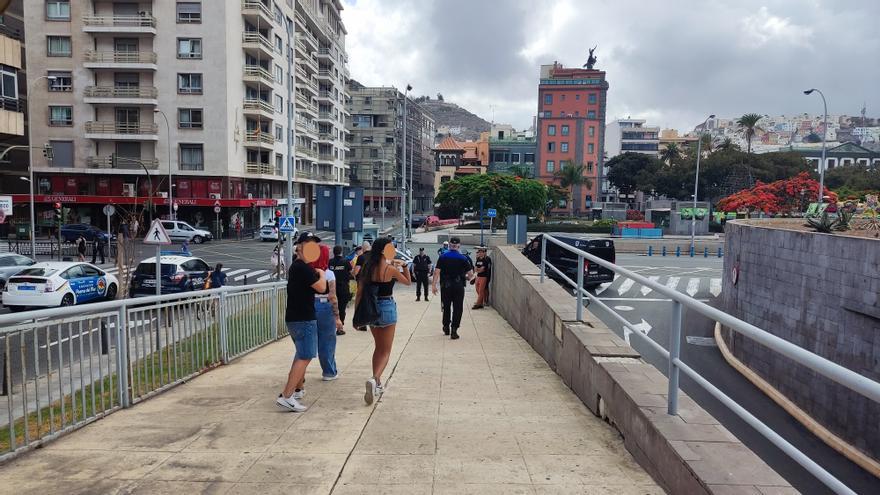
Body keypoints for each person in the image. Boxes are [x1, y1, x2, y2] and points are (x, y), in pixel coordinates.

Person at [357, 237, 411, 404]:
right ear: (383, 251)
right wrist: (405, 266)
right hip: (387, 306)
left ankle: (377, 383)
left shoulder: (367, 268)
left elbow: (359, 292)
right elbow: (408, 282)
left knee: (378, 347)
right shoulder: (389, 269)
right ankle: (375, 379)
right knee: (386, 350)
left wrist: (358, 316)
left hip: (371, 308)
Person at [277, 232, 326, 413]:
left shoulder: (298, 267)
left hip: (295, 318)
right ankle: (287, 395)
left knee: (300, 356)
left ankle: (295, 391)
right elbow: (322, 288)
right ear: (301, 247)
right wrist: (321, 274)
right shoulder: (303, 268)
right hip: (304, 319)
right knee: (305, 356)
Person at [310, 244, 343, 381]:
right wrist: (337, 317)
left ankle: (300, 374)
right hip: (324, 306)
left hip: (309, 305)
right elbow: (332, 296)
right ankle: (329, 372)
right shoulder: (328, 274)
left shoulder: (309, 271)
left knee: (308, 340)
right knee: (327, 340)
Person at [432, 237, 474, 340]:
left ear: (450, 245)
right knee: (458, 308)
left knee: (446, 307)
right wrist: (467, 278)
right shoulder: (463, 258)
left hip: (446, 286)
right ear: (459, 246)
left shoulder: (443, 257)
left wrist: (433, 285)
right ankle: (454, 329)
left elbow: (436, 272)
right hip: (458, 286)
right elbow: (471, 274)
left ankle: (446, 326)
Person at [328, 245, 352, 335]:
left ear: (333, 253)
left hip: (331, 288)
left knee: (332, 308)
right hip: (343, 288)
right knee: (342, 308)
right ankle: (340, 327)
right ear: (341, 252)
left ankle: (332, 326)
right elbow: (351, 272)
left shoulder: (329, 262)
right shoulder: (345, 262)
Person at [351, 241, 371, 331]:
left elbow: (356, 271)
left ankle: (362, 323)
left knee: (361, 301)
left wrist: (353, 274)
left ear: (363, 248)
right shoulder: (374, 257)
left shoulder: (361, 257)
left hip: (362, 282)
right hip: (373, 282)